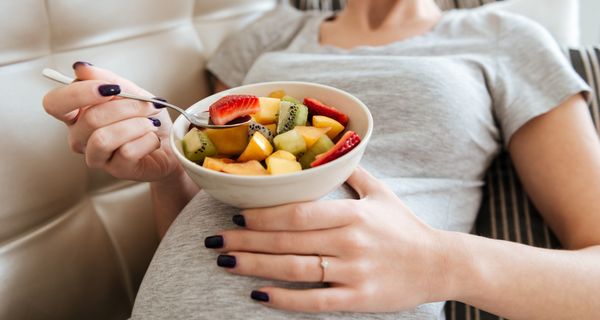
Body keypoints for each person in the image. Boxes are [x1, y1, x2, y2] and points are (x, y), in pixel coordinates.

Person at [42, 0, 600, 319]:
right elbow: (218, 195)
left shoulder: (506, 37)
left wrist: (442, 263)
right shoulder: (262, 37)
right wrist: (169, 174)